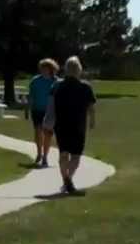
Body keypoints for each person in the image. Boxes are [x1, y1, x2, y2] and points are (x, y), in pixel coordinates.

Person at [52, 55, 96, 195]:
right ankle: (68, 180)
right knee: (76, 156)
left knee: (63, 154)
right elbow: (91, 107)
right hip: (78, 125)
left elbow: (51, 104)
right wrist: (92, 120)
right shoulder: (85, 87)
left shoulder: (58, 86)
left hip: (61, 124)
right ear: (79, 70)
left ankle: (66, 180)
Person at [27, 58, 59, 168]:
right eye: (42, 68)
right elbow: (31, 97)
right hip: (37, 110)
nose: (44, 70)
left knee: (48, 135)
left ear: (52, 69)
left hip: (51, 112)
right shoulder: (35, 81)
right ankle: (39, 153)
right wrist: (27, 109)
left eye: (46, 68)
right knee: (38, 132)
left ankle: (45, 156)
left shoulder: (57, 82)